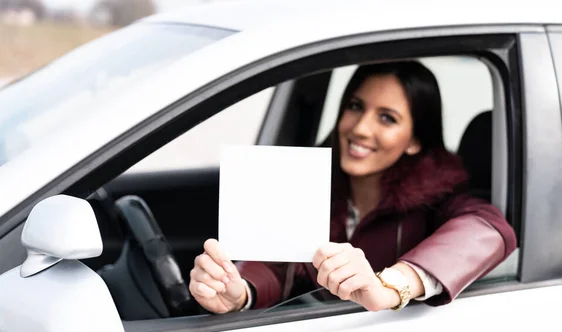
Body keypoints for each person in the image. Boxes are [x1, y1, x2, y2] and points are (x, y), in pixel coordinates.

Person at [189, 60, 517, 314]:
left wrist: (390, 286)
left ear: (415, 140)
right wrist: (239, 292)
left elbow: (488, 230)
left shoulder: (439, 198)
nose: (360, 128)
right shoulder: (307, 183)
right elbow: (276, 267)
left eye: (387, 118)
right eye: (356, 107)